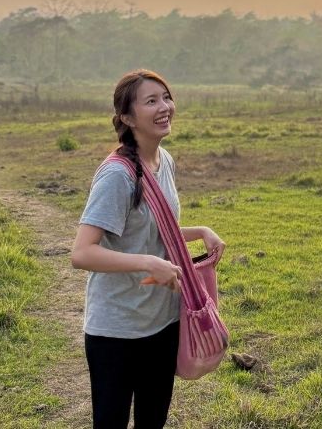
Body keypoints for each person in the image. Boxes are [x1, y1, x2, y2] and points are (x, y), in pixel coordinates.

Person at [71, 69, 225, 429]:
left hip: (164, 321)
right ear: (127, 117)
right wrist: (147, 263)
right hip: (117, 330)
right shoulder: (117, 176)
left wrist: (201, 230)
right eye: (151, 101)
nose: (164, 107)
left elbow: (153, 231)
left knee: (153, 421)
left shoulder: (164, 160)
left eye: (166, 97)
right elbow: (82, 252)